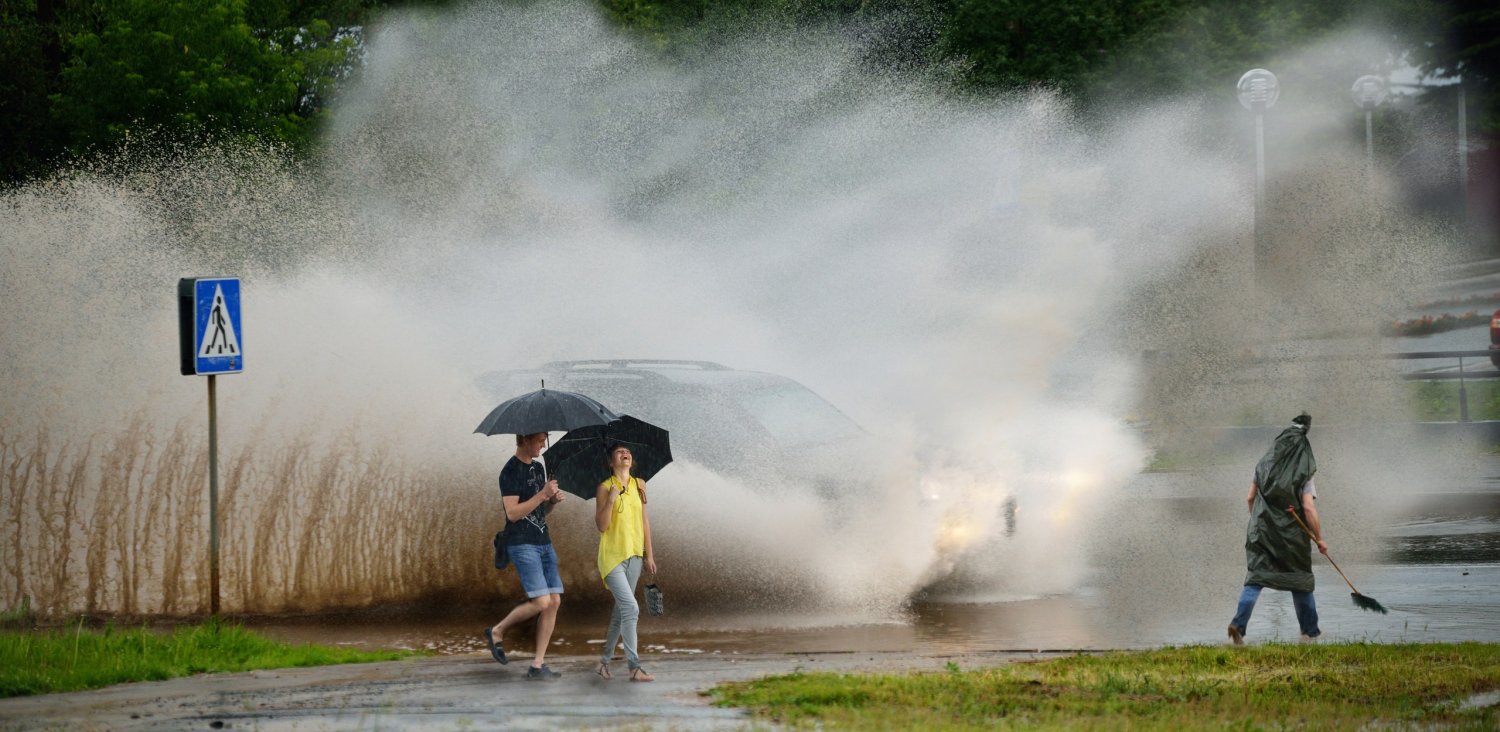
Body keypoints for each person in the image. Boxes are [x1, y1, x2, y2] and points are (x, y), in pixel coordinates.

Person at [1228, 413, 1328, 645]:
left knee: (1255, 578)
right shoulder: (1303, 472)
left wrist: (1259, 522)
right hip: (1292, 538)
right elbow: (1308, 508)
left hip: (1261, 532)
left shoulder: (1262, 467)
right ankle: (1310, 633)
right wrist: (1319, 538)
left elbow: (1250, 498)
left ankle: (1238, 625)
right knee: (1300, 580)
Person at [484, 431, 567, 680]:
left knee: (554, 601)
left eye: (544, 439)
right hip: (521, 543)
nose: (544, 444)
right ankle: (496, 631)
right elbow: (512, 514)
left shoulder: (539, 468)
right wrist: (542, 494)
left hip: (543, 542)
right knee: (541, 602)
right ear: (524, 439)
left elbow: (540, 513)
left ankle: (538, 665)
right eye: (540, 440)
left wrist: (551, 502)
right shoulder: (509, 471)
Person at [592, 443, 657, 682]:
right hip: (612, 558)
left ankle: (603, 663)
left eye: (627, 451)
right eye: (619, 452)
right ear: (611, 462)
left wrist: (649, 555)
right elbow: (602, 526)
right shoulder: (604, 487)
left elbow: (644, 521)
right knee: (631, 608)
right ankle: (634, 667)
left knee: (621, 612)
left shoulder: (640, 484)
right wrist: (610, 500)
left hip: (635, 557)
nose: (625, 453)